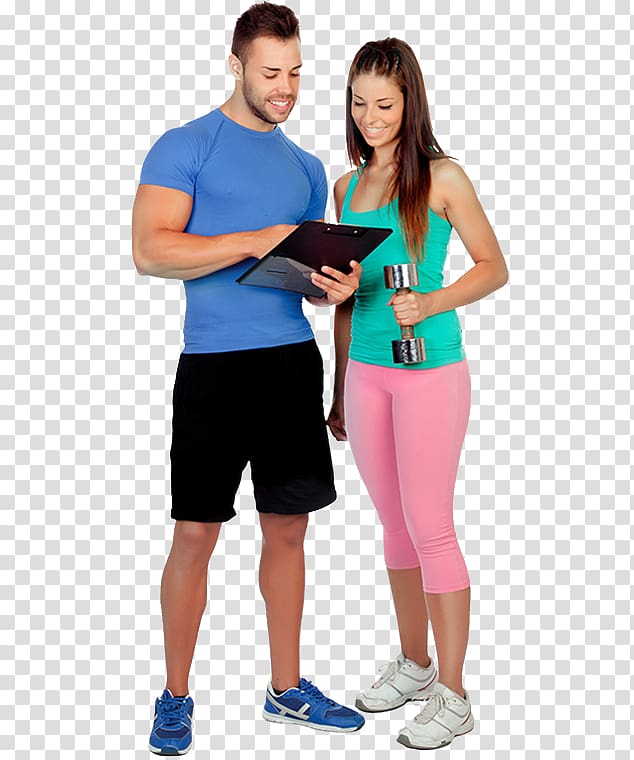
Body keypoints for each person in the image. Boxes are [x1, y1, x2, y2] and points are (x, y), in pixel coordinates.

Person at [132, 4, 365, 754]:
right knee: (196, 532)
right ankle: (175, 697)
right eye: (271, 73)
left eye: (296, 72)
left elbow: (294, 278)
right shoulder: (183, 146)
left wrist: (332, 285)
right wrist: (252, 239)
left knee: (289, 530)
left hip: (291, 364)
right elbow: (151, 252)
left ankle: (287, 690)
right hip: (212, 369)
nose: (286, 87)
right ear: (236, 66)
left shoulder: (304, 170)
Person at [327, 38, 508, 750]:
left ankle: (455, 697)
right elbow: (346, 300)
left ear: (410, 103)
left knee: (430, 526)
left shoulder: (441, 177)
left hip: (432, 373)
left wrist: (431, 303)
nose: (371, 117)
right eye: (359, 103)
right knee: (395, 528)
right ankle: (414, 663)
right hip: (367, 376)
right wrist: (339, 389)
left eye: (385, 104)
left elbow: (494, 267)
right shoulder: (346, 188)